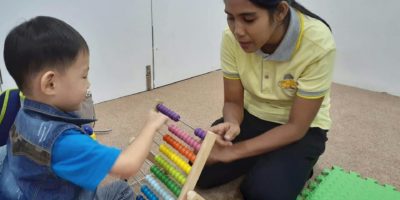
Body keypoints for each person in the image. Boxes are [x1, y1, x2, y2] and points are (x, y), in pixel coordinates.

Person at [0, 16, 168, 200]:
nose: (88, 83)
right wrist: (150, 125)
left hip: (29, 191)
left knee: (119, 188)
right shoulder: (63, 142)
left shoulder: (23, 112)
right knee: (122, 190)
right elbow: (129, 166)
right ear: (50, 84)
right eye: (83, 76)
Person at [197, 0, 335, 199]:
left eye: (248, 19)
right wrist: (231, 122)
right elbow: (233, 102)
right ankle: (264, 157)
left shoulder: (318, 42)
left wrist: (233, 152)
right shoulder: (230, 39)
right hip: (252, 116)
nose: (238, 31)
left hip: (301, 129)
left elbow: (296, 127)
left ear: (280, 11)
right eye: (230, 17)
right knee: (198, 168)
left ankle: (297, 165)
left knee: (263, 193)